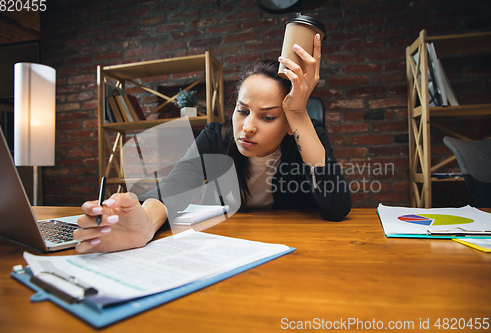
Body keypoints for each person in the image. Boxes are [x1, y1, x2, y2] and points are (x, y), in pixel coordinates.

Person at [74, 33, 351, 253]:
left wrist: (298, 115)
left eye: (267, 117)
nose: (248, 126)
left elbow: (337, 207)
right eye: (242, 111)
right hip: (235, 245)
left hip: (299, 249)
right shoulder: (216, 138)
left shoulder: (306, 136)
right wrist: (145, 224)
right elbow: (175, 186)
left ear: (290, 121)